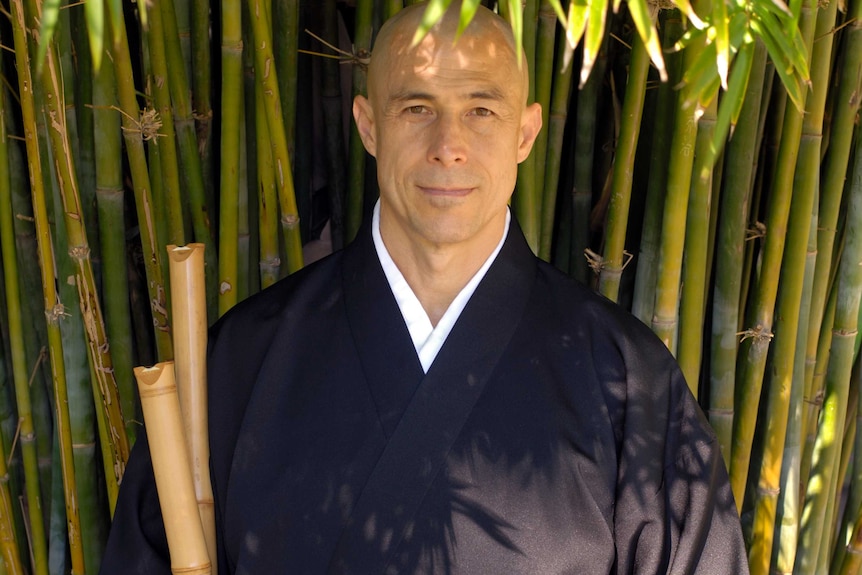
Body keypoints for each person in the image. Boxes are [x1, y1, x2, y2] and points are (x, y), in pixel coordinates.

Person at [101, 3, 749, 573]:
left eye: (480, 109)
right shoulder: (241, 362)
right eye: (417, 108)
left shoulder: (627, 382)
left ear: (525, 132)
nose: (449, 145)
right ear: (368, 124)